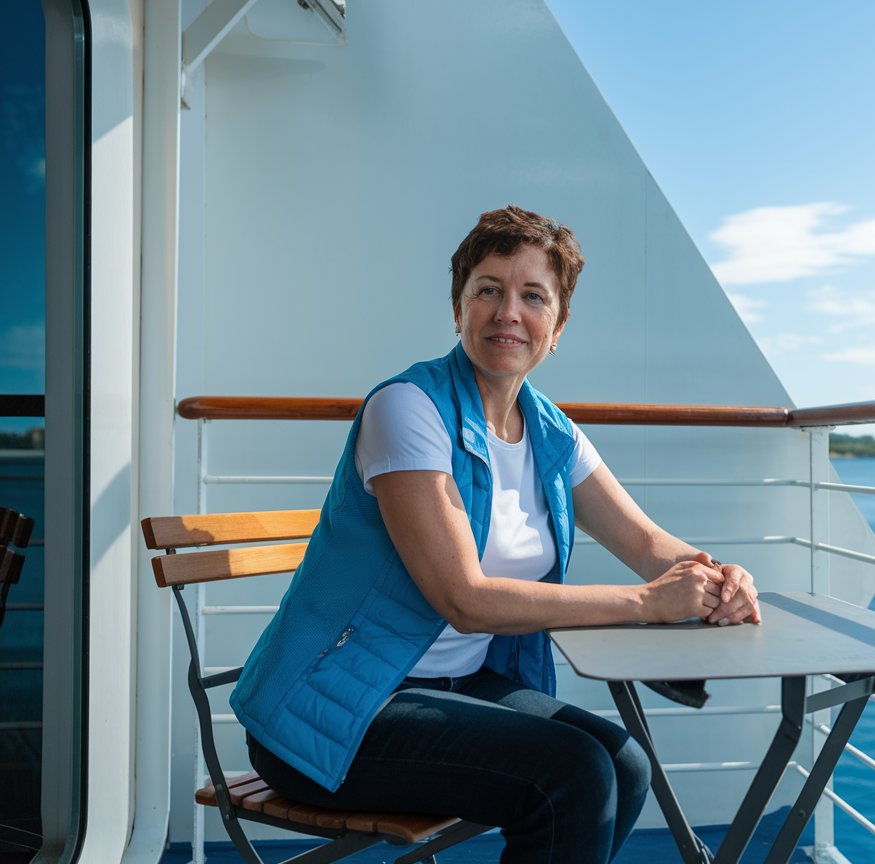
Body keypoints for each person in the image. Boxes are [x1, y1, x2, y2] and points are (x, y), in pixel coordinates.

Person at [230, 205, 761, 863]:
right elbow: (465, 598)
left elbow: (649, 545)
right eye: (489, 290)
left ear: (558, 327)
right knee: (574, 773)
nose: (508, 312)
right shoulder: (408, 410)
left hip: (457, 687)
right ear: (459, 309)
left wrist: (718, 576)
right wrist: (650, 604)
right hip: (333, 704)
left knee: (624, 765)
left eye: (533, 296)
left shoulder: (550, 432)